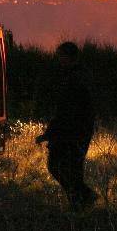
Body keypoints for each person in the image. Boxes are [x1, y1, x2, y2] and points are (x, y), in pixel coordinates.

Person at [36, 41, 97, 210]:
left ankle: (81, 199)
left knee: (60, 166)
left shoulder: (74, 78)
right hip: (76, 131)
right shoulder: (78, 75)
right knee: (68, 168)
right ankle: (81, 200)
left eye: (61, 56)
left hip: (72, 132)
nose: (59, 60)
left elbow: (66, 110)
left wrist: (49, 134)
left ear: (68, 57)